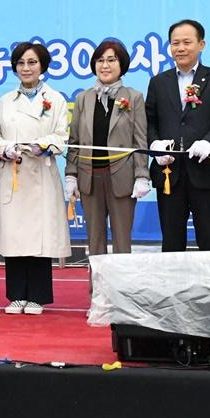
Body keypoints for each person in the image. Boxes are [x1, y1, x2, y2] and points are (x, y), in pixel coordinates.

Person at [0, 42, 71, 315]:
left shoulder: (55, 99)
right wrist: (4, 148)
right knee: (14, 235)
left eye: (32, 62)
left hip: (41, 172)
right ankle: (16, 295)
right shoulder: (4, 101)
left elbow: (62, 135)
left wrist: (44, 144)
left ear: (42, 65)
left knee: (39, 235)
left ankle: (38, 295)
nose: (26, 68)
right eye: (21, 63)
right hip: (14, 171)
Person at [145, 20, 210, 252]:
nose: (181, 48)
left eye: (187, 42)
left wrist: (209, 142)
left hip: (206, 171)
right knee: (171, 242)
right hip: (169, 173)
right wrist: (155, 145)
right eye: (175, 43)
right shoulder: (158, 82)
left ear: (201, 44)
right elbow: (149, 121)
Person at [65, 40, 151, 256]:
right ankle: (97, 280)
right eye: (100, 60)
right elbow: (74, 140)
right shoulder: (83, 98)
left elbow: (140, 141)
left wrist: (142, 175)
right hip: (89, 177)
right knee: (95, 240)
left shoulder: (134, 97)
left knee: (122, 241)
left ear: (122, 65)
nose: (105, 65)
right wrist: (71, 175)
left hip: (122, 177)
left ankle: (122, 280)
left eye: (111, 60)